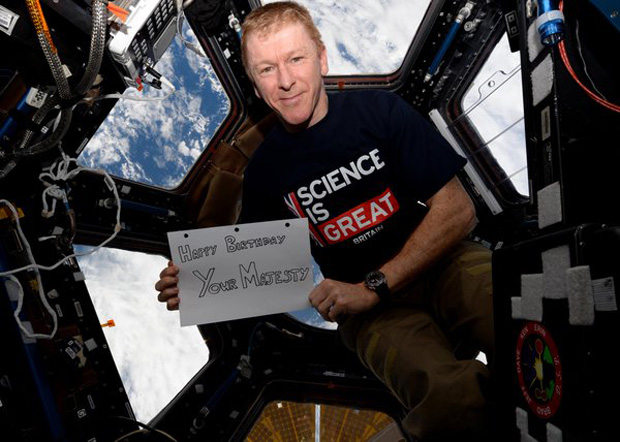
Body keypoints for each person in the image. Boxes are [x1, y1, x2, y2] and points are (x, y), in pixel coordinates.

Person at [155, 2, 495, 440]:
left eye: (295, 59)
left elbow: (457, 209)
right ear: (256, 86)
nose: (285, 80)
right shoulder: (264, 174)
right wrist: (198, 279)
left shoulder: (379, 112)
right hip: (371, 316)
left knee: (515, 313)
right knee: (449, 403)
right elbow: (262, 265)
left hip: (442, 263)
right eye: (266, 69)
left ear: (321, 58)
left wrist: (374, 285)